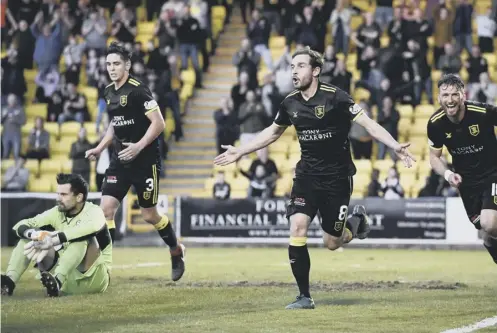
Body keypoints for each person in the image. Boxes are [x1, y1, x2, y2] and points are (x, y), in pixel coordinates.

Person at [214, 47, 416, 309]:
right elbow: (272, 132)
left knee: (332, 242)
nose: (294, 71)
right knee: (297, 227)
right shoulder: (289, 102)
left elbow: (367, 123)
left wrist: (394, 145)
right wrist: (240, 151)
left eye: (300, 66)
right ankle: (304, 296)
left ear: (316, 70)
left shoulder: (336, 97)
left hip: (337, 178)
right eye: (292, 67)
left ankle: (356, 220)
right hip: (307, 176)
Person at [85, 42, 186, 282]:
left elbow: (159, 123)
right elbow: (114, 123)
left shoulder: (139, 91)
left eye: (116, 63)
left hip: (145, 161)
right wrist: (100, 148)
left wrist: (138, 147)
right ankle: (104, 266)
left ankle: (176, 250)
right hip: (120, 160)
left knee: (150, 215)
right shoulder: (109, 91)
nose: (111, 68)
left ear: (127, 65)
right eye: (108, 64)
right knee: (106, 210)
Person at [1, 174, 112, 297]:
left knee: (82, 239)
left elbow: (91, 228)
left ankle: (58, 280)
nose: (58, 198)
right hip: (68, 281)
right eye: (58, 194)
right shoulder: (56, 212)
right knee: (30, 240)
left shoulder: (94, 211)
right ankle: (8, 283)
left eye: (63, 195)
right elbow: (20, 225)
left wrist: (54, 239)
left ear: (79, 197)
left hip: (95, 279)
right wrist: (33, 234)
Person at [427, 73, 497, 266]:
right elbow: (434, 157)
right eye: (445, 95)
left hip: (493, 173)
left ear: (463, 95)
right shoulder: (435, 124)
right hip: (466, 183)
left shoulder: (482, 112)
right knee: (487, 234)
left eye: (454, 95)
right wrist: (449, 174)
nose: (450, 100)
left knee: (489, 223)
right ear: (439, 98)